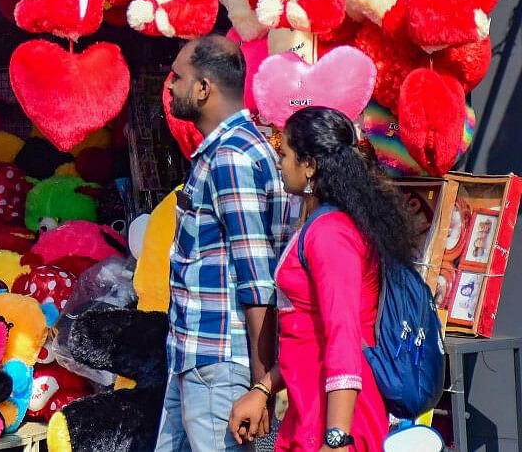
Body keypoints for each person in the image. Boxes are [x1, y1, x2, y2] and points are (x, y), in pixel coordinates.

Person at [229, 106, 418, 451]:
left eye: (284, 154)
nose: (279, 163)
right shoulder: (319, 226)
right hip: (310, 407)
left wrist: (337, 437)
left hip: (336, 417)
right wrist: (264, 388)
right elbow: (307, 333)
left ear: (310, 165)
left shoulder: (331, 234)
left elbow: (343, 334)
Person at [157, 35, 292, 452]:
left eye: (178, 77)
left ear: (204, 89)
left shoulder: (232, 156)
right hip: (197, 358)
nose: (169, 86)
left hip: (219, 362)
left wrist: (259, 385)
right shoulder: (227, 151)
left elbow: (257, 280)